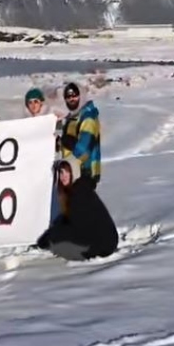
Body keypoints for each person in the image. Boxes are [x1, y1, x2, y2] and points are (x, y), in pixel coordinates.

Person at [36, 158, 118, 261]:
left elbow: (78, 229)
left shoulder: (79, 192)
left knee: (59, 243)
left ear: (74, 172)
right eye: (61, 172)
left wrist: (52, 235)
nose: (63, 176)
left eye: (67, 172)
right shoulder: (78, 188)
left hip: (103, 245)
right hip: (105, 240)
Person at [25, 87, 66, 223]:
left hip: (52, 162)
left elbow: (61, 136)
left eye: (35, 102)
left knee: (54, 197)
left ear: (41, 103)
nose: (33, 105)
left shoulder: (51, 118)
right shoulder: (27, 122)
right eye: (30, 103)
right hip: (35, 165)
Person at [58, 82, 102, 182]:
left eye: (74, 95)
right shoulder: (72, 117)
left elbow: (84, 148)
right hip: (72, 173)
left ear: (81, 95)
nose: (71, 99)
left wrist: (68, 142)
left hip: (85, 173)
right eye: (68, 97)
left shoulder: (88, 118)